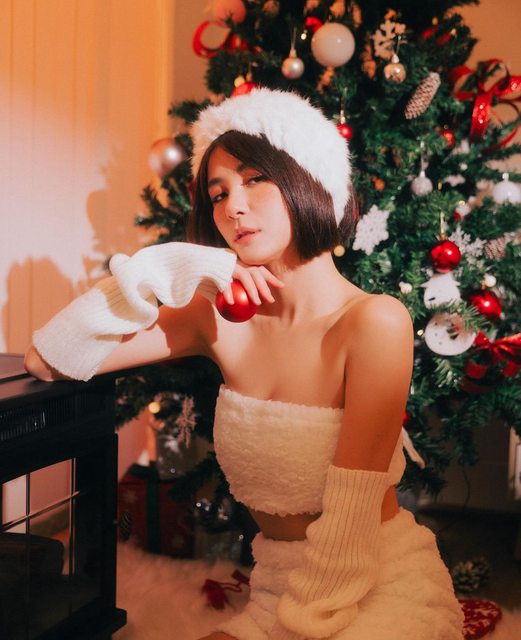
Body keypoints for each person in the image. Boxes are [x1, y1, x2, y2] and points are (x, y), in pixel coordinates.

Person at [25, 88, 464, 640]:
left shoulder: (374, 322)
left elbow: (349, 529)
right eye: (218, 193)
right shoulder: (214, 320)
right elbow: (50, 358)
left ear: (309, 180)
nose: (232, 207)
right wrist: (170, 266)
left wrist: (294, 630)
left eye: (255, 179)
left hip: (370, 585)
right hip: (277, 585)